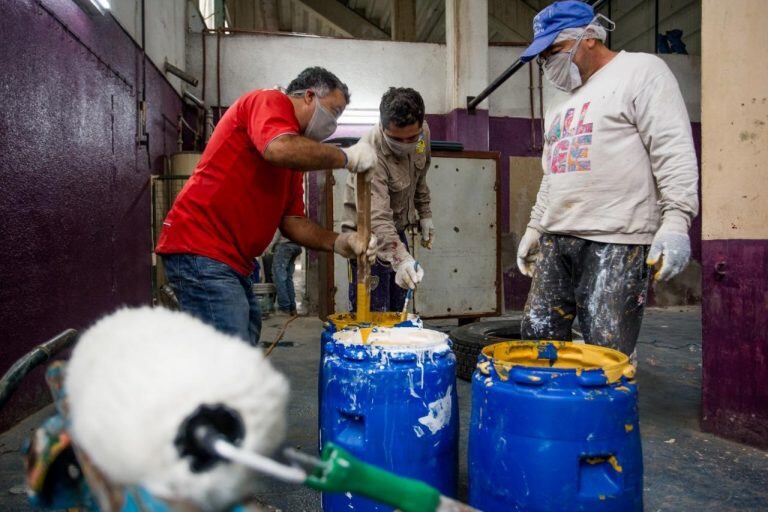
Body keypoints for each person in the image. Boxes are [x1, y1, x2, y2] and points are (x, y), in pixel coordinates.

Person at [515, 1, 699, 355]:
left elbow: (672, 149)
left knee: (605, 353)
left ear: (587, 37)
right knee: (538, 339)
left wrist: (676, 220)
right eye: (543, 57)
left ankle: (604, 411)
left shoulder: (642, 72)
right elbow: (553, 170)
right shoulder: (560, 101)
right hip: (557, 238)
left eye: (553, 51)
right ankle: (555, 413)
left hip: (616, 239)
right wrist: (536, 228)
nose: (547, 63)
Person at [156, 67, 378, 345]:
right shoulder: (270, 101)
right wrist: (346, 157)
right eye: (334, 111)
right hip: (202, 247)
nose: (334, 123)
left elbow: (293, 220)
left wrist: (340, 242)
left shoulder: (295, 161)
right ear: (309, 96)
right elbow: (278, 148)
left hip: (233, 260)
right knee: (230, 355)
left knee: (244, 340)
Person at [342, 87, 432, 312]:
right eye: (396, 139)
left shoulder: (422, 137)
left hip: (397, 230)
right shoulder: (370, 152)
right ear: (382, 127)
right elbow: (378, 217)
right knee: (374, 314)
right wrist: (401, 259)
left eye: (411, 137)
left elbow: (420, 175)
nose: (406, 144)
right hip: (367, 237)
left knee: (398, 309)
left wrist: (425, 214)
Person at [270, 231, 302, 316]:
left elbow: (277, 231)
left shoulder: (281, 217)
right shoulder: (297, 217)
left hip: (284, 246)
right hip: (295, 246)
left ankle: (284, 308)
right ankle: (292, 309)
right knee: (287, 278)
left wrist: (270, 247)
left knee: (279, 277)